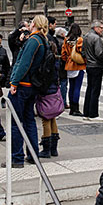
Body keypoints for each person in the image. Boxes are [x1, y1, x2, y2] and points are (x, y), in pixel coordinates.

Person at [7, 15, 48, 167]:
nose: (29, 24)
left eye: (31, 22)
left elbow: (24, 63)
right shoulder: (43, 40)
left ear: (35, 24)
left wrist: (14, 82)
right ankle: (32, 154)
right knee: (29, 120)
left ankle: (16, 158)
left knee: (16, 122)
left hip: (23, 84)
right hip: (32, 85)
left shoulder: (34, 40)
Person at [39, 23, 63, 158]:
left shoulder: (47, 59)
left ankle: (46, 148)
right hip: (54, 89)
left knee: (45, 119)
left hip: (47, 90)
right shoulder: (55, 58)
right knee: (52, 118)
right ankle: (54, 148)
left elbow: (45, 76)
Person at [82, 20, 103, 121]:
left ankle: (86, 113)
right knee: (95, 90)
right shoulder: (96, 38)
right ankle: (93, 114)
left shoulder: (86, 36)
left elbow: (83, 52)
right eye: (101, 27)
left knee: (89, 89)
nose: (102, 30)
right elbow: (99, 53)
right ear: (95, 28)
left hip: (89, 65)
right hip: (96, 66)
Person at [62, 23, 86, 117]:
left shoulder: (66, 40)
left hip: (69, 65)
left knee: (71, 87)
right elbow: (82, 52)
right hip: (78, 65)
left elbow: (63, 54)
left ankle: (72, 107)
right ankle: (75, 108)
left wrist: (67, 60)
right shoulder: (80, 40)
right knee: (77, 88)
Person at [55, 27, 68, 108]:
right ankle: (63, 101)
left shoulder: (55, 40)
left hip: (57, 64)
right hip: (62, 65)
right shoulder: (63, 42)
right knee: (63, 83)